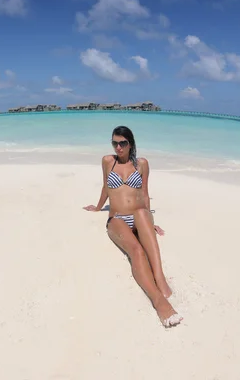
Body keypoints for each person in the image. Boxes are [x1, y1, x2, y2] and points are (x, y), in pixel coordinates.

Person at [83, 125, 183, 328]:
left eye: (123, 143)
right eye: (115, 143)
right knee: (137, 251)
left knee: (141, 213)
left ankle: (160, 277)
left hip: (139, 215)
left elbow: (144, 194)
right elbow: (105, 186)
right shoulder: (107, 161)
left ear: (131, 144)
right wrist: (98, 207)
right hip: (118, 218)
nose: (118, 147)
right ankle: (159, 301)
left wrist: (150, 221)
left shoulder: (142, 164)